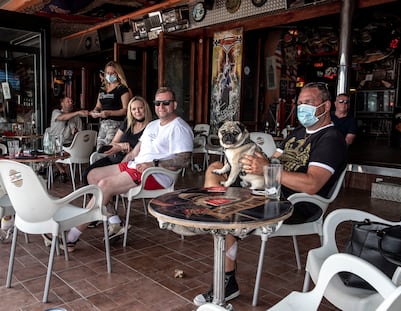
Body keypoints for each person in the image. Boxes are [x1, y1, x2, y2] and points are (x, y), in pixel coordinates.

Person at [193, 82, 347, 306]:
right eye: (300, 103)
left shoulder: (331, 140)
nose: (302, 107)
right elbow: (271, 157)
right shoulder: (297, 133)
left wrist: (266, 169)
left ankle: (226, 279)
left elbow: (312, 184)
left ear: (326, 106)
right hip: (266, 189)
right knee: (214, 168)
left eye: (309, 103)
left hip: (294, 203)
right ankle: (216, 218)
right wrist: (249, 160)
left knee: (224, 212)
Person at [43, 86, 194, 251]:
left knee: (105, 185)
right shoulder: (153, 125)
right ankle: (115, 221)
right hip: (135, 167)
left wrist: (154, 164)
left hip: (154, 174)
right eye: (158, 103)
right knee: (93, 175)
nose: (161, 107)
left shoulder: (179, 128)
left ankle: (71, 237)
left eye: (166, 103)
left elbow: (184, 160)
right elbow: (138, 149)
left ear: (174, 104)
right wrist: (127, 158)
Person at [82, 95, 152, 232]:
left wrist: (128, 150)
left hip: (128, 162)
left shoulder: (151, 127)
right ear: (130, 111)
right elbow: (113, 143)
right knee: (87, 174)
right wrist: (121, 145)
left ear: (146, 109)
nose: (137, 111)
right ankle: (111, 216)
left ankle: (106, 217)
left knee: (101, 180)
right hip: (115, 156)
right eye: (133, 109)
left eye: (140, 108)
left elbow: (143, 152)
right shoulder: (128, 123)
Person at [90, 61, 131, 150]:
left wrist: (109, 113)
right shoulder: (102, 89)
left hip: (116, 124)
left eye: (112, 73)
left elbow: (125, 110)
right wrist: (95, 111)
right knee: (99, 149)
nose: (109, 75)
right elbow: (98, 106)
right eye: (107, 73)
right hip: (103, 124)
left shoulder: (122, 89)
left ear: (118, 74)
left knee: (108, 150)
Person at [48, 96, 89, 182]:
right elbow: (62, 118)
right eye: (68, 101)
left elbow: (80, 136)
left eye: (71, 101)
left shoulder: (76, 118)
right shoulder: (56, 112)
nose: (70, 103)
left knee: (67, 153)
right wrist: (77, 112)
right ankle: (62, 171)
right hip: (55, 142)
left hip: (70, 144)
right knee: (53, 150)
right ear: (62, 104)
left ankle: (61, 171)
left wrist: (76, 132)